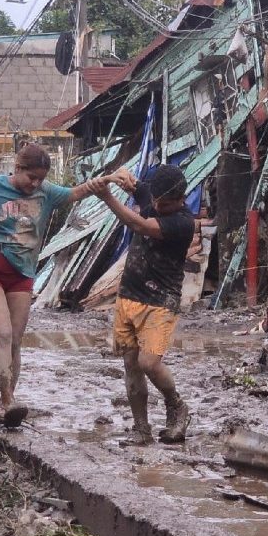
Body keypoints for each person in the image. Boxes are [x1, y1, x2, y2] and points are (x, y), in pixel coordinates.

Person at [0, 143, 123, 428]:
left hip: (22, 274)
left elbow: (77, 192)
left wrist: (108, 180)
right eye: (31, 177)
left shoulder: (46, 192)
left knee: (14, 339)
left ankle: (7, 399)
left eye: (40, 179)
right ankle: (8, 400)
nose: (35, 184)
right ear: (17, 167)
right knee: (1, 333)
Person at [92, 164, 194, 445]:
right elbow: (132, 181)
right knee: (130, 364)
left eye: (167, 204)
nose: (159, 207)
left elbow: (140, 225)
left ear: (181, 200)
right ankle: (141, 428)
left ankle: (176, 405)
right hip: (129, 294)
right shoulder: (155, 197)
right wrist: (123, 177)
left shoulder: (183, 222)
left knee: (148, 361)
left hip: (162, 299)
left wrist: (109, 198)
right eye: (156, 201)